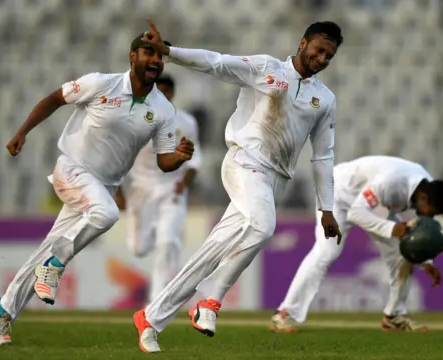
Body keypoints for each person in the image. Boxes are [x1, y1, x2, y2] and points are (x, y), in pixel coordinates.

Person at [133, 18, 343, 353]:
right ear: (303, 43)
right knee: (262, 226)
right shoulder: (265, 68)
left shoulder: (325, 99)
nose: (321, 60)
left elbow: (323, 156)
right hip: (245, 162)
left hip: (277, 181)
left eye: (329, 56)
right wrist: (168, 53)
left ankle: (151, 318)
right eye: (319, 51)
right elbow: (215, 63)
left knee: (212, 251)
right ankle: (210, 301)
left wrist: (327, 207)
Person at [0, 34, 194, 347]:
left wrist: (179, 157)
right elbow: (55, 98)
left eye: (160, 56)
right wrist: (22, 132)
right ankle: (55, 264)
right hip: (72, 169)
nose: (155, 60)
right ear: (131, 56)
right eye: (148, 53)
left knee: (51, 245)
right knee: (106, 214)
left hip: (103, 184)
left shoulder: (162, 110)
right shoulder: (100, 84)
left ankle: (2, 309)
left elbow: (164, 162)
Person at [270, 156, 443, 333]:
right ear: (424, 198)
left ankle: (394, 315)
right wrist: (393, 228)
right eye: (431, 212)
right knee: (327, 250)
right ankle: (286, 313)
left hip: (376, 205)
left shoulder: (429, 189)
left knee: (403, 255)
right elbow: (356, 214)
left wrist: (427, 262)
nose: (430, 217)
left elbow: (417, 234)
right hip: (337, 194)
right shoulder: (390, 182)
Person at [116, 74, 202, 303]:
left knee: (168, 242)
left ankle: (156, 302)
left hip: (171, 189)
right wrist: (118, 192)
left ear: (172, 94)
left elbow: (194, 161)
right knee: (138, 248)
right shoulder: (135, 120)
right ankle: (157, 231)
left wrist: (184, 183)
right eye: (158, 92)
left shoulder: (186, 122)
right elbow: (119, 159)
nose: (162, 96)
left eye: (166, 92)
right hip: (141, 189)